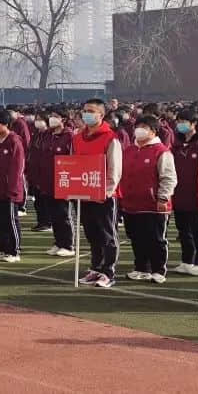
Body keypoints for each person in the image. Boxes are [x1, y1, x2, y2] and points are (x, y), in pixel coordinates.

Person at [73, 98, 123, 289]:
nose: (87, 114)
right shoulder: (77, 137)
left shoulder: (111, 138)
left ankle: (108, 272)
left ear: (101, 115)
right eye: (85, 110)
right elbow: (73, 163)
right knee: (91, 233)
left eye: (91, 111)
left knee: (107, 235)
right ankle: (96, 267)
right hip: (84, 193)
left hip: (104, 196)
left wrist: (107, 192)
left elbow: (115, 169)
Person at [121, 115, 177, 283]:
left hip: (153, 204)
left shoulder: (161, 151)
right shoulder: (129, 150)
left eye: (145, 127)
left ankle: (158, 269)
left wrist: (162, 197)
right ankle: (141, 268)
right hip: (131, 203)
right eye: (138, 126)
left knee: (156, 239)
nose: (140, 130)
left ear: (153, 131)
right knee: (136, 238)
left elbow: (168, 177)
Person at [170, 109, 198, 276]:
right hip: (179, 194)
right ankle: (187, 261)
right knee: (183, 230)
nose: (179, 125)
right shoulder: (177, 144)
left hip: (196, 196)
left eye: (183, 121)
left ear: (193, 123)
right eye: (178, 121)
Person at [0, 110, 26, 263]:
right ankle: (4, 249)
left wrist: (12, 189)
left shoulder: (14, 140)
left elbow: (18, 167)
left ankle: (14, 251)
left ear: (5, 124)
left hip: (9, 190)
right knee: (0, 222)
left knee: (10, 220)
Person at [37, 109, 74, 257]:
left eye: (55, 116)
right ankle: (58, 242)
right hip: (47, 180)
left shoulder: (69, 136)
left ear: (63, 119)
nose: (52, 119)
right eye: (51, 116)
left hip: (63, 180)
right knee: (53, 214)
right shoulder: (46, 135)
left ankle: (68, 244)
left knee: (63, 214)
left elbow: (73, 159)